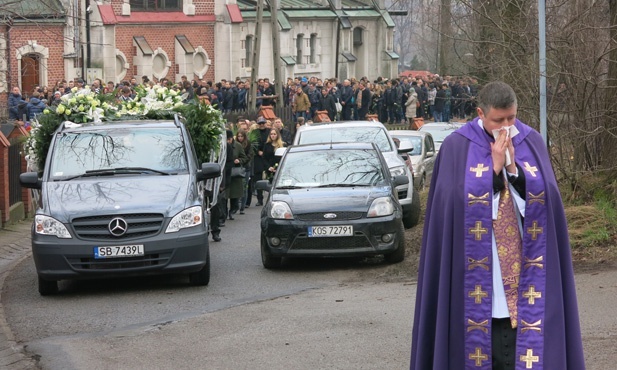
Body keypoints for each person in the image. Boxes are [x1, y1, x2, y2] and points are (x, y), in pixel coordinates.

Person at [410, 81, 586, 370]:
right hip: (474, 280)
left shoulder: (531, 141)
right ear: (481, 113)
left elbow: (549, 202)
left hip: (527, 276)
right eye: (498, 120)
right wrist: (492, 172)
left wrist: (514, 172)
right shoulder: (457, 147)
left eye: (511, 118)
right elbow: (449, 206)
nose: (506, 127)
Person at [225, 130, 248, 220]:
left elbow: (244, 157)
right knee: (224, 195)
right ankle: (224, 213)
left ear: (231, 139)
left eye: (228, 139)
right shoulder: (223, 146)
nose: (227, 141)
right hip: (226, 172)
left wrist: (239, 160)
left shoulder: (238, 146)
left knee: (234, 195)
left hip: (235, 173)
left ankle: (233, 210)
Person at [235, 129, 253, 214]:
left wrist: (242, 161)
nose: (240, 138)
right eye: (238, 136)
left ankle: (242, 206)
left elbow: (250, 155)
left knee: (245, 186)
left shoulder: (248, 144)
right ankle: (237, 204)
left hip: (246, 167)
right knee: (238, 186)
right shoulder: (235, 145)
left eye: (241, 136)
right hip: (237, 167)